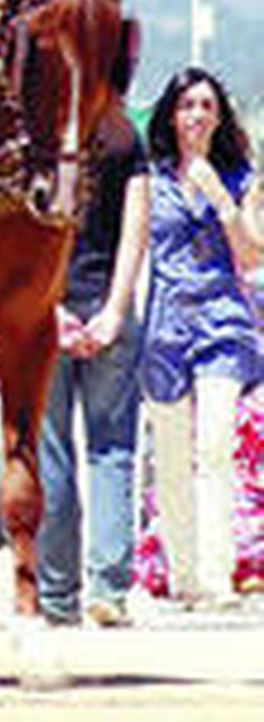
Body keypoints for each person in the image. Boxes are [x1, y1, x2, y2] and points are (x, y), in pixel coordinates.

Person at [139, 65, 264, 608]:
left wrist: (222, 201)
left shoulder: (241, 178)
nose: (196, 115)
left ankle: (217, 574)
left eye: (206, 106)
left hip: (222, 321)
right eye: (187, 105)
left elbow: (252, 255)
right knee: (170, 454)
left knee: (214, 446)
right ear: (171, 114)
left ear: (220, 116)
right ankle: (184, 573)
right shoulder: (150, 179)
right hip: (164, 324)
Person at [38, 105, 150, 627]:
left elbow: (29, 236)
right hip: (108, 308)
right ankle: (109, 590)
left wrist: (51, 309)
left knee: (51, 452)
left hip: (47, 313)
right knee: (113, 450)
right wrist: (115, 311)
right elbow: (135, 230)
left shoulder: (38, 133)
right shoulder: (122, 134)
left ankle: (58, 595)